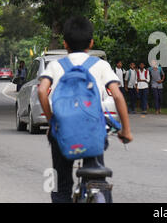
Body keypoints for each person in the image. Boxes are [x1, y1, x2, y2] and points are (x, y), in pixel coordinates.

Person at [37, 16, 133, 203]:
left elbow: (42, 91)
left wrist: (52, 121)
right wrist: (126, 131)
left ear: (65, 44)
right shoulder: (100, 65)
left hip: (62, 134)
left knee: (61, 184)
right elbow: (118, 96)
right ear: (91, 42)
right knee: (97, 179)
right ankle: (97, 190)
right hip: (92, 133)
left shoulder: (56, 65)